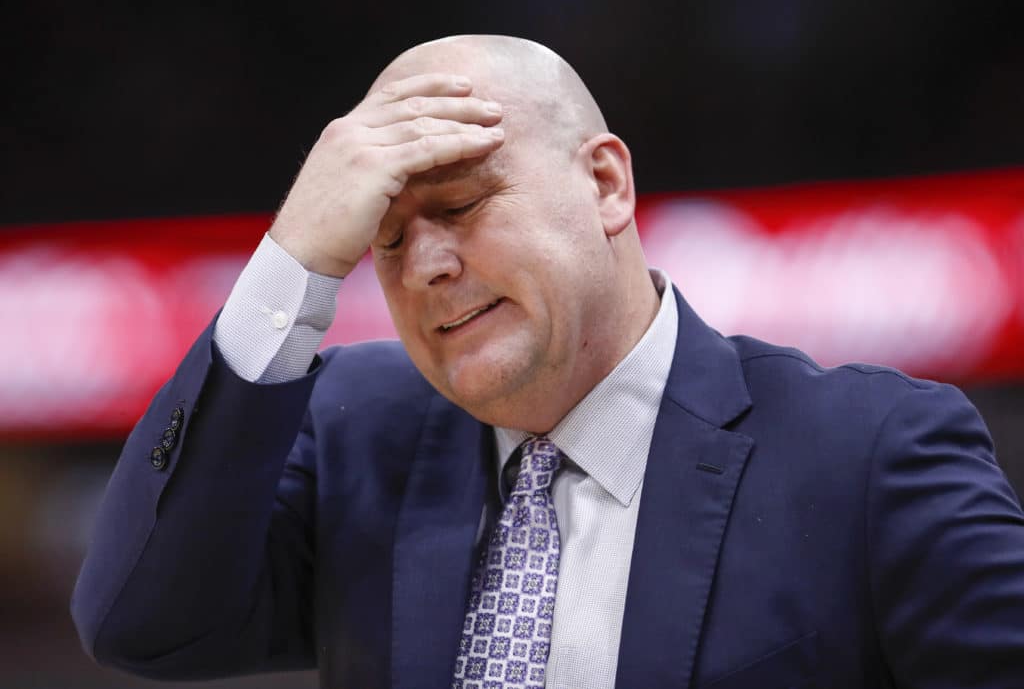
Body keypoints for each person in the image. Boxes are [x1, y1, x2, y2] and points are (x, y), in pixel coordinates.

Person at [71, 35, 1024, 689]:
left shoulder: (867, 452)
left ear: (605, 183)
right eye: (382, 239)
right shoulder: (359, 429)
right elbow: (140, 623)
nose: (427, 264)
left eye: (462, 204)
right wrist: (292, 259)